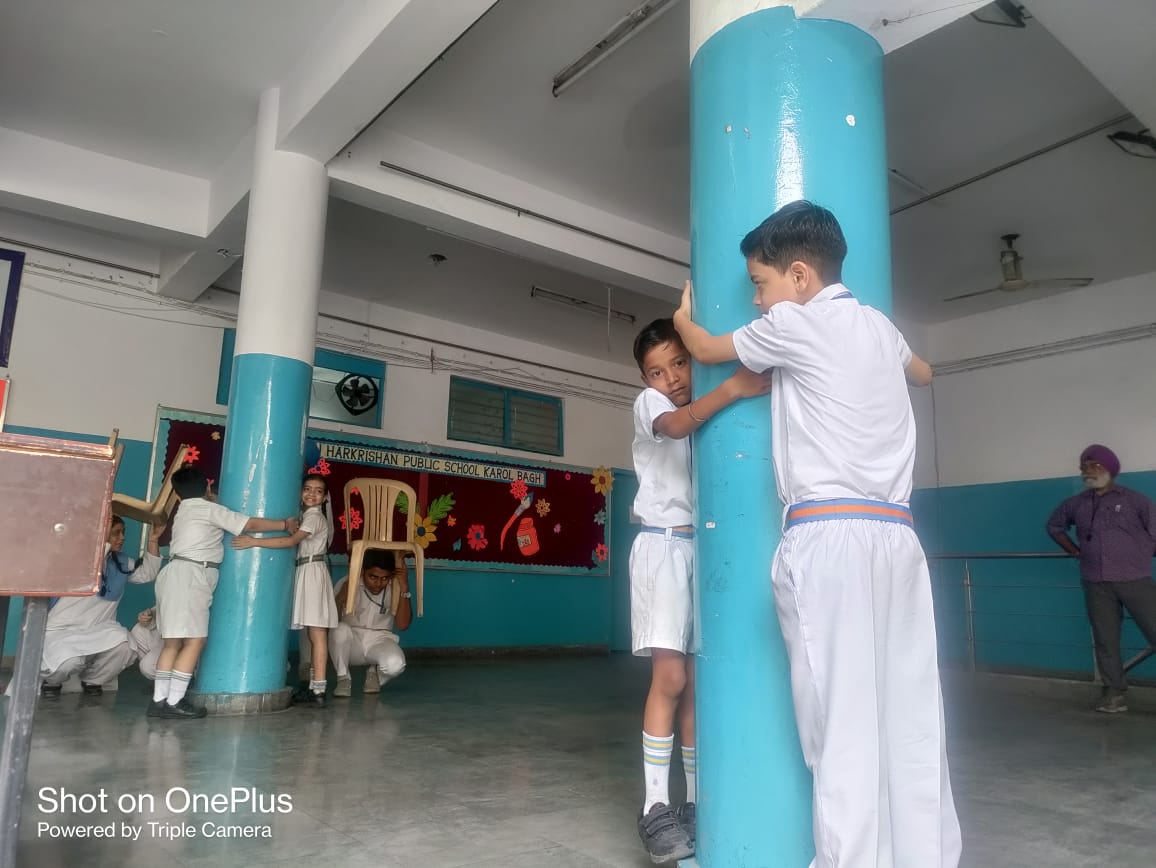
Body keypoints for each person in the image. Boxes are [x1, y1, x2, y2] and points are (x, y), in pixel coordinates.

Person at [673, 200, 958, 868]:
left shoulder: (794, 324)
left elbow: (707, 350)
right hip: (897, 538)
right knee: (912, 714)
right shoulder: (880, 328)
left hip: (830, 535)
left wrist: (683, 319)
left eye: (760, 283)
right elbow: (924, 372)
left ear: (799, 276)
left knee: (841, 724)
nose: (755, 298)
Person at [629, 317, 773, 864]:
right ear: (645, 380)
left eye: (679, 362)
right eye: (657, 371)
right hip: (662, 547)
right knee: (669, 677)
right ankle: (654, 806)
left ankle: (692, 804)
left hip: (697, 550)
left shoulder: (700, 417)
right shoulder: (651, 405)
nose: (671, 377)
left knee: (694, 686)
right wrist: (733, 387)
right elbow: (672, 426)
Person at [151, 466, 298, 719]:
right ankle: (174, 701)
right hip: (191, 576)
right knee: (195, 641)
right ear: (208, 487)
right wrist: (284, 524)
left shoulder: (184, 510)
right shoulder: (208, 509)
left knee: (172, 643)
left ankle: (158, 701)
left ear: (177, 494)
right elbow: (249, 523)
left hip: (173, 572)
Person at [1046, 444, 1156, 714]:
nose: (1088, 471)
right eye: (1084, 467)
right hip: (1096, 582)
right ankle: (1114, 694)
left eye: (1095, 466)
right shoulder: (1076, 504)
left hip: (1134, 579)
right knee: (1106, 640)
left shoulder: (1135, 500)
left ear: (1110, 469)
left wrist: (1140, 555)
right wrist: (1075, 551)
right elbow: (1054, 526)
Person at [232, 474, 337, 707]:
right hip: (308, 570)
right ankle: (315, 688)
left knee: (317, 633)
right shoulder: (307, 517)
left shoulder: (314, 517)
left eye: (318, 491)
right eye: (307, 489)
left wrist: (254, 541)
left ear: (324, 497)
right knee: (314, 634)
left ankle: (319, 691)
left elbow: (290, 542)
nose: (312, 494)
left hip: (313, 571)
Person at [40, 517, 164, 697]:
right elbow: (96, 560)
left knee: (126, 646)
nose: (122, 537)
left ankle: (93, 680)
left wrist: (153, 540)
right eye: (115, 533)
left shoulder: (120, 562)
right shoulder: (77, 559)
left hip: (99, 629)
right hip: (61, 631)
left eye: (123, 532)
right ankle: (52, 682)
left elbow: (148, 573)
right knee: (69, 662)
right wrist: (103, 523)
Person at [319, 549, 412, 698]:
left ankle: (374, 675)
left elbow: (403, 625)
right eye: (373, 577)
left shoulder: (395, 587)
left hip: (380, 640)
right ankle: (343, 678)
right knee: (339, 630)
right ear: (362, 571)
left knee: (396, 664)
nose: (378, 584)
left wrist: (405, 588)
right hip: (350, 641)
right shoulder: (347, 582)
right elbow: (330, 623)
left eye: (384, 578)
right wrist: (341, 596)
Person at [130, 608, 163, 680]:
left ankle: (181, 674)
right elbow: (161, 610)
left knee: (148, 667)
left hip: (181, 640)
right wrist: (148, 616)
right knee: (138, 629)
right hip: (166, 636)